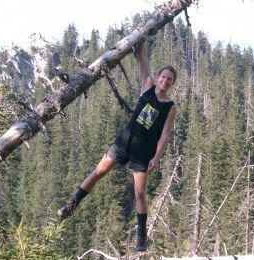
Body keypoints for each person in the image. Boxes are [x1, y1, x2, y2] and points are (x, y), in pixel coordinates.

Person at [57, 39, 177, 252]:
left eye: (170, 79)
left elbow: (165, 136)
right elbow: (142, 59)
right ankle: (71, 206)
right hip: (125, 141)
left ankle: (141, 237)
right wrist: (143, 35)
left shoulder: (170, 107)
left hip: (144, 151)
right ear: (158, 77)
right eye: (163, 76)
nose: (165, 81)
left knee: (140, 193)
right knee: (97, 173)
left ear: (172, 83)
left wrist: (156, 157)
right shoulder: (148, 85)